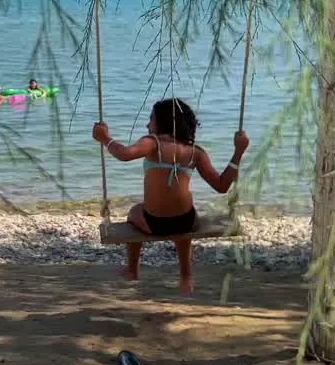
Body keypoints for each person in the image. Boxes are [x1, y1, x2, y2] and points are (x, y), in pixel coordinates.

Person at [92, 98, 248, 294]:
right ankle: (186, 277)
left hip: (154, 222)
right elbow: (222, 185)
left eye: (151, 120)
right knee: (183, 224)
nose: (147, 125)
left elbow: (124, 154)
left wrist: (105, 138)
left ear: (163, 122)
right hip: (186, 221)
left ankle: (132, 269)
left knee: (134, 212)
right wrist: (238, 152)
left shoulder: (152, 143)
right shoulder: (195, 152)